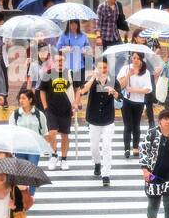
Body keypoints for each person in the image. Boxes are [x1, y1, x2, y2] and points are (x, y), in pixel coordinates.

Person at [78, 59, 116, 187]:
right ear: (97, 69)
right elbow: (82, 91)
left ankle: (106, 174)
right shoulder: (92, 81)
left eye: (105, 68)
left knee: (106, 146)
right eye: (100, 68)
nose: (103, 70)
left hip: (108, 120)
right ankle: (97, 163)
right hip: (93, 119)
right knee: (93, 147)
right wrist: (93, 78)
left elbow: (120, 97)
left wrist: (114, 92)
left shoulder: (113, 80)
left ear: (108, 68)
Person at [39, 56, 74, 170]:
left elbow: (78, 89)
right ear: (53, 62)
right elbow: (42, 91)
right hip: (51, 110)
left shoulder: (70, 74)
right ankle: (54, 155)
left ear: (65, 62)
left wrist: (76, 103)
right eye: (57, 61)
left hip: (66, 109)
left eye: (62, 60)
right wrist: (45, 107)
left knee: (65, 135)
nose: (60, 62)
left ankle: (64, 159)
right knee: (52, 133)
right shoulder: (48, 74)